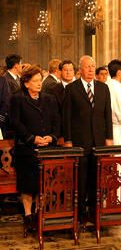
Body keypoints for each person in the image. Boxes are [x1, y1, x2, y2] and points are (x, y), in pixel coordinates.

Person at [9, 65, 60, 229]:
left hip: (46, 148)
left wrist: (51, 137)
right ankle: (27, 215)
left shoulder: (49, 98)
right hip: (26, 149)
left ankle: (39, 212)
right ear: (26, 83)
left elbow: (56, 120)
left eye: (40, 80)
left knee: (41, 184)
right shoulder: (17, 99)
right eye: (35, 81)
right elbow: (14, 122)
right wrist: (32, 138)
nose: (39, 84)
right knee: (27, 184)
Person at [62, 55, 113, 218]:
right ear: (80, 70)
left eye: (93, 66)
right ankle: (81, 211)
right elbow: (67, 117)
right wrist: (68, 140)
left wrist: (109, 138)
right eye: (87, 67)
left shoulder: (103, 88)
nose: (91, 69)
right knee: (81, 178)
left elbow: (107, 115)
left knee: (96, 177)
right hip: (79, 141)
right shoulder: (71, 89)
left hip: (99, 140)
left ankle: (94, 209)